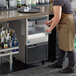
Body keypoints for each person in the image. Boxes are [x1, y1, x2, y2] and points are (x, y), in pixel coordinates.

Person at [45, 0, 75, 73]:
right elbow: (59, 14)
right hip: (64, 20)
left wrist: (50, 28)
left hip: (67, 22)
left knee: (69, 46)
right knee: (62, 42)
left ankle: (71, 68)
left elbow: (57, 17)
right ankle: (59, 63)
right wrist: (50, 22)